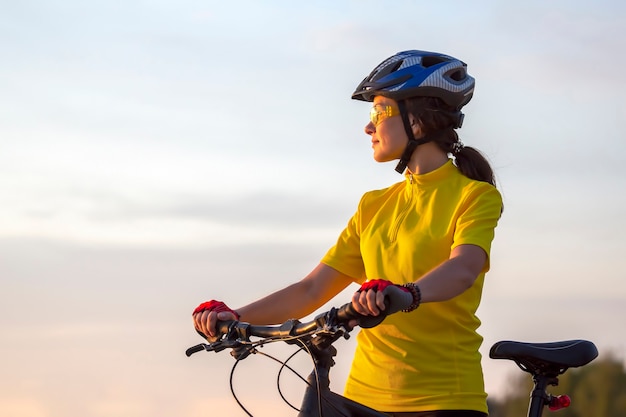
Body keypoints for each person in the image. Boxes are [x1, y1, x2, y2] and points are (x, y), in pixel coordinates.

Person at [193, 50, 503, 417]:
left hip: (443, 400)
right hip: (362, 399)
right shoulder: (373, 206)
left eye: (379, 112)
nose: (368, 127)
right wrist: (233, 318)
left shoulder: (474, 195)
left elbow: (464, 269)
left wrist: (407, 293)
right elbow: (310, 290)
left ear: (418, 120)